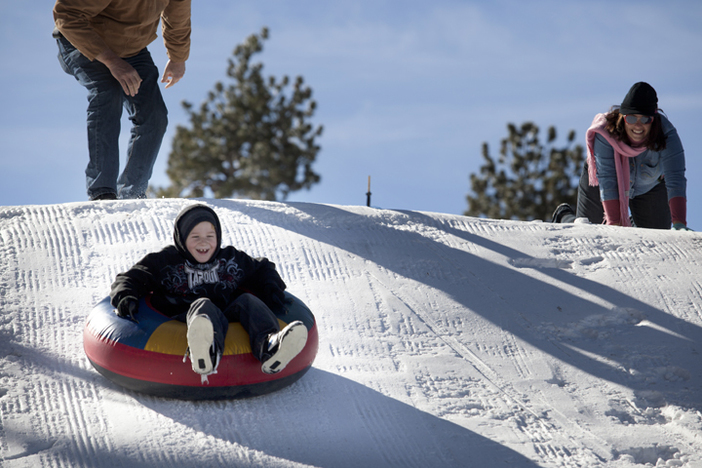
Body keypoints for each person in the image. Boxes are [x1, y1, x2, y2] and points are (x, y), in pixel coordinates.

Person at [109, 204, 308, 378]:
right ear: (182, 238)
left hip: (225, 313)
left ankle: (270, 345)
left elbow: (262, 268)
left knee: (248, 300)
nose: (203, 243)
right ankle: (207, 349)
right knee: (203, 305)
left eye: (209, 236)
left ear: (218, 237)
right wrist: (125, 296)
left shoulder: (230, 259)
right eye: (195, 237)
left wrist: (271, 289)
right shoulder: (165, 261)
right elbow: (131, 277)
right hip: (182, 317)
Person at [53, 0, 191, 200]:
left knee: (154, 115)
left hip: (132, 50)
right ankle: (102, 191)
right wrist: (111, 61)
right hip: (82, 42)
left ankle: (131, 193)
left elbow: (177, 16)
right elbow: (66, 15)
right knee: (107, 92)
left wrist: (178, 57)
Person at [552, 82, 689, 230]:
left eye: (644, 119)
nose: (637, 125)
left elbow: (675, 180)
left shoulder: (667, 135)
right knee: (586, 229)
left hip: (649, 188)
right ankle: (563, 216)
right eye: (631, 118)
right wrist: (614, 224)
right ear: (623, 118)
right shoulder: (606, 133)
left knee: (657, 235)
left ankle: (631, 223)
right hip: (602, 180)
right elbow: (607, 180)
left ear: (653, 119)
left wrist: (679, 223)